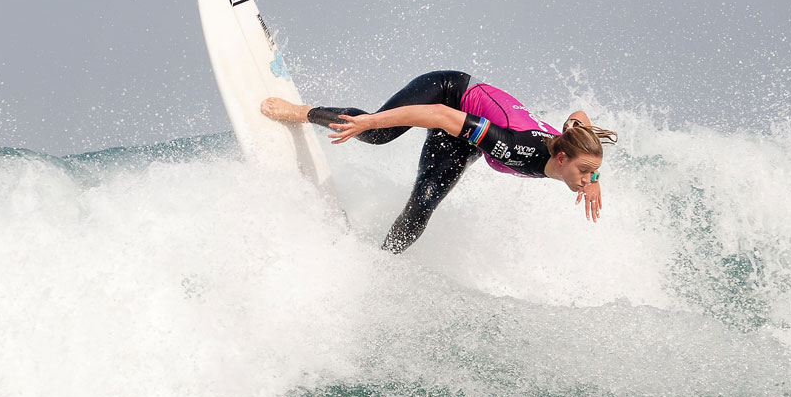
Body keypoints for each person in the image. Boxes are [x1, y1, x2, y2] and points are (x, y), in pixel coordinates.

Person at [260, 70, 617, 253]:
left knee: (422, 205)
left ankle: (380, 263)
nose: (586, 179)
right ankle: (302, 111)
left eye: (590, 172)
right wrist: (369, 121)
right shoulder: (514, 146)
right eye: (584, 170)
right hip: (450, 93)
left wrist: (597, 175)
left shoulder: (572, 143)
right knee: (377, 133)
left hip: (469, 135)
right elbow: (439, 114)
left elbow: (580, 117)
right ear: (561, 156)